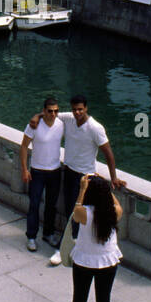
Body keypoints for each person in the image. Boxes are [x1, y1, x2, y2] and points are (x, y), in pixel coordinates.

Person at [29, 94, 126, 233]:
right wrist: (36, 117)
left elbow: (108, 154)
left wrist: (114, 177)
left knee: (77, 212)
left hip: (84, 177)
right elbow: (50, 113)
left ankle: (73, 245)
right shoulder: (69, 118)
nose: (77, 112)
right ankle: (69, 243)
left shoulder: (95, 128)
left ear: (86, 108)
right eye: (74, 109)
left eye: (80, 109)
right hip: (68, 171)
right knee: (69, 210)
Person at [64, 174, 123, 302]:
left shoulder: (84, 214)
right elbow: (117, 204)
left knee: (79, 301)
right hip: (108, 261)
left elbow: (76, 210)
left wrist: (83, 188)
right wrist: (105, 187)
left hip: (84, 261)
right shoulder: (114, 212)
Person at [19, 97, 64, 252]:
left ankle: (48, 234)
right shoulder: (34, 125)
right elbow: (24, 146)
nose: (53, 114)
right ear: (44, 111)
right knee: (34, 205)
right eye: (50, 111)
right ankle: (31, 236)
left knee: (51, 206)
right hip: (37, 172)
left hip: (55, 172)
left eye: (56, 111)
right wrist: (24, 169)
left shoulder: (61, 123)